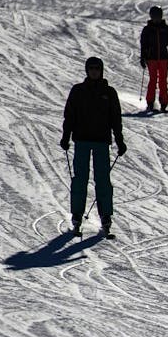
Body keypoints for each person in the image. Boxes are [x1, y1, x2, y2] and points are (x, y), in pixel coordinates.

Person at [60, 57, 127, 235]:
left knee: (103, 180)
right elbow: (70, 116)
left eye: (97, 68)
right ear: (87, 70)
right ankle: (77, 215)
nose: (94, 71)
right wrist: (66, 136)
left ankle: (105, 216)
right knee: (80, 179)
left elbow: (115, 119)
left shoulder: (109, 92)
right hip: (82, 140)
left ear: (102, 70)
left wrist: (119, 140)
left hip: (101, 142)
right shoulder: (78, 90)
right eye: (91, 68)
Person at [139, 5, 168, 112]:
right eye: (154, 16)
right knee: (153, 80)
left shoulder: (166, 29)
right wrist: (143, 57)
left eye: (158, 16)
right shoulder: (147, 30)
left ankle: (163, 103)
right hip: (151, 58)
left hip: (163, 58)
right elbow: (143, 44)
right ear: (151, 16)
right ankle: (150, 102)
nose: (156, 18)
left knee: (163, 81)